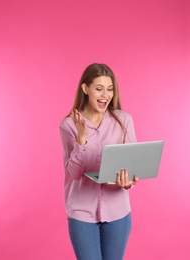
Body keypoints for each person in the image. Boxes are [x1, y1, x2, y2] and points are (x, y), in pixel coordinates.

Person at [59, 63, 138, 260]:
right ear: (85, 89)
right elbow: (74, 173)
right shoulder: (69, 125)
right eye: (99, 88)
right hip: (82, 213)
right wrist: (81, 140)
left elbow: (132, 164)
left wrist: (128, 181)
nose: (105, 95)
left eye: (110, 89)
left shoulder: (123, 120)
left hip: (118, 212)